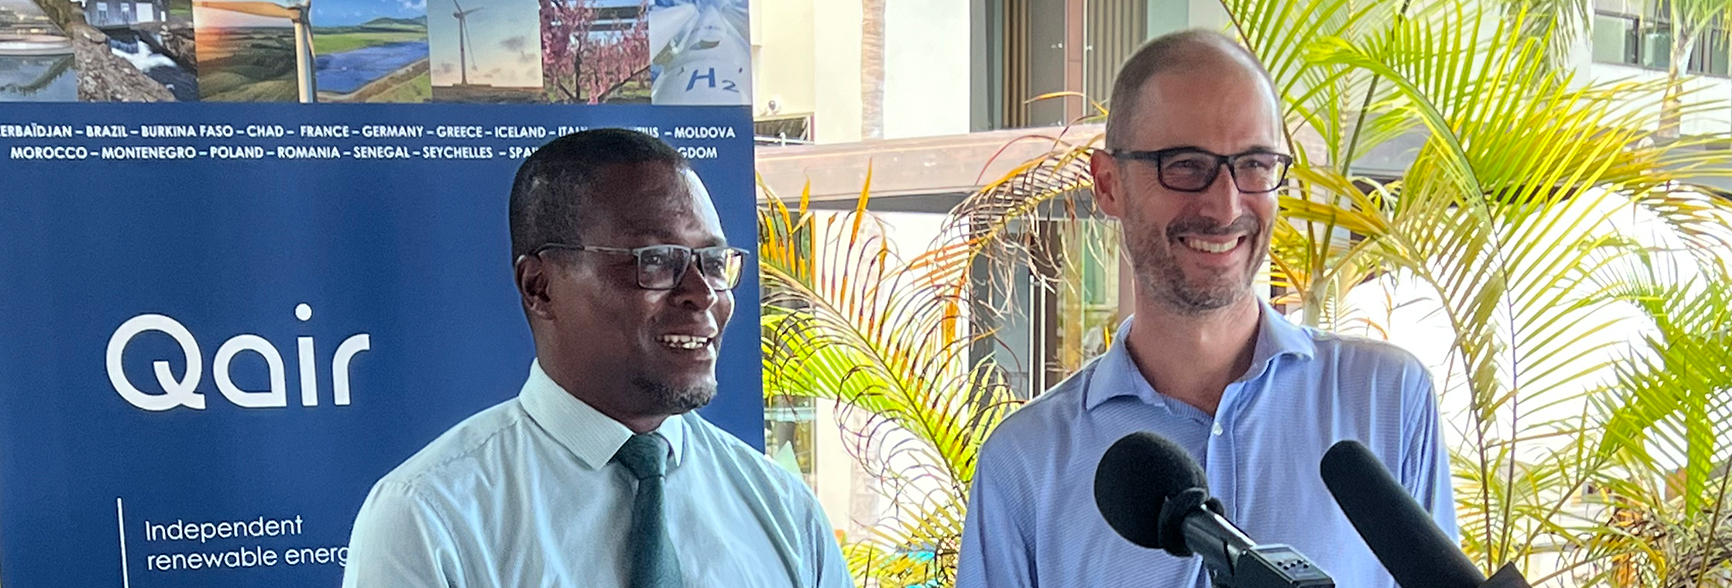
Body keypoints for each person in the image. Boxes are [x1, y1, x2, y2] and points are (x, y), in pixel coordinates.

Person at [956, 30, 1456, 588]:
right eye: (1186, 165)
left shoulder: (1387, 400)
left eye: (1255, 165)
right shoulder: (1025, 462)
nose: (1225, 205)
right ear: (1108, 183)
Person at [343, 128, 851, 588]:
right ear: (539, 287)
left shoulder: (785, 512)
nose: (702, 293)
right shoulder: (431, 519)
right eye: (655, 261)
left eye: (713, 262)